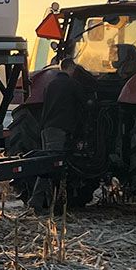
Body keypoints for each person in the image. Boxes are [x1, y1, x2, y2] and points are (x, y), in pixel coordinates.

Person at [30, 57, 84, 212]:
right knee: (50, 165)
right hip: (59, 130)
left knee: (48, 163)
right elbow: (82, 106)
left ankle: (49, 203)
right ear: (71, 68)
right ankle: (36, 201)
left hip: (46, 128)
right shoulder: (72, 85)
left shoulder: (50, 84)